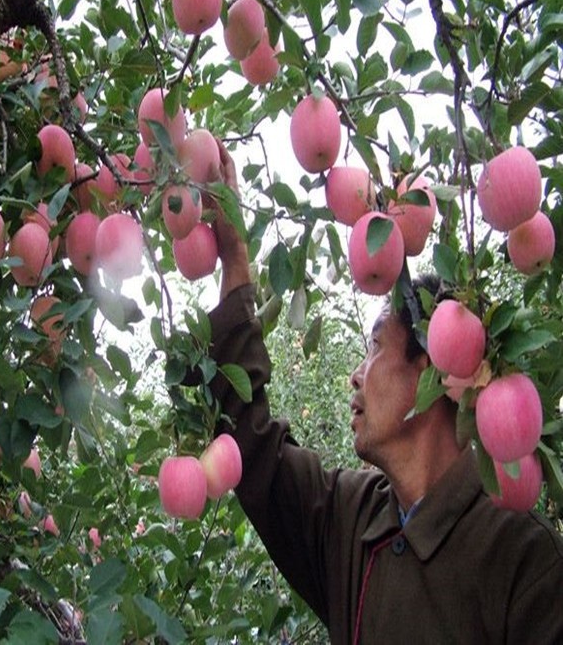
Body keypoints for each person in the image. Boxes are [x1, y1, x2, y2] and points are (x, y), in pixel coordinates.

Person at [204, 142, 563, 644]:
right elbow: (251, 448)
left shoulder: (523, 559)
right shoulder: (349, 519)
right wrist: (235, 261)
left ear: (434, 373)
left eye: (374, 349)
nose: (356, 374)